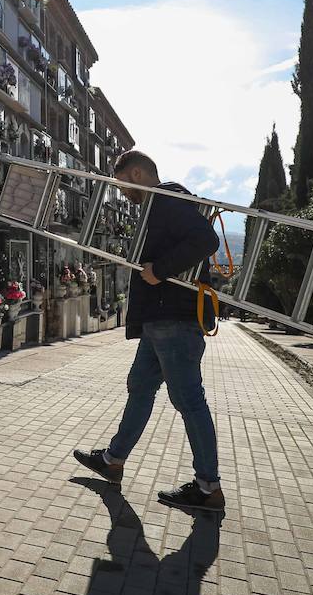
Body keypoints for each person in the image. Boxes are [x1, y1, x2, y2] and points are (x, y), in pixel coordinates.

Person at [73, 150, 226, 513]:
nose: (124, 193)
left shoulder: (166, 199)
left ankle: (208, 487)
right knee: (140, 386)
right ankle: (113, 460)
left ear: (137, 173)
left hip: (173, 321)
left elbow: (207, 241)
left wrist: (160, 270)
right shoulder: (159, 205)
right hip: (161, 322)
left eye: (124, 183)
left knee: (188, 400)